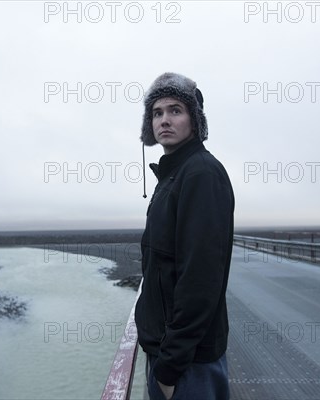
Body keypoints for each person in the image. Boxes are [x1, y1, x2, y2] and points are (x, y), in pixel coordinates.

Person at [135, 72, 235, 400]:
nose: (164, 120)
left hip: (186, 364)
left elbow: (200, 278)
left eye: (176, 110)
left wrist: (169, 368)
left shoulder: (200, 174)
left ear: (195, 119)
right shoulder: (173, 175)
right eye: (157, 112)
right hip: (171, 356)